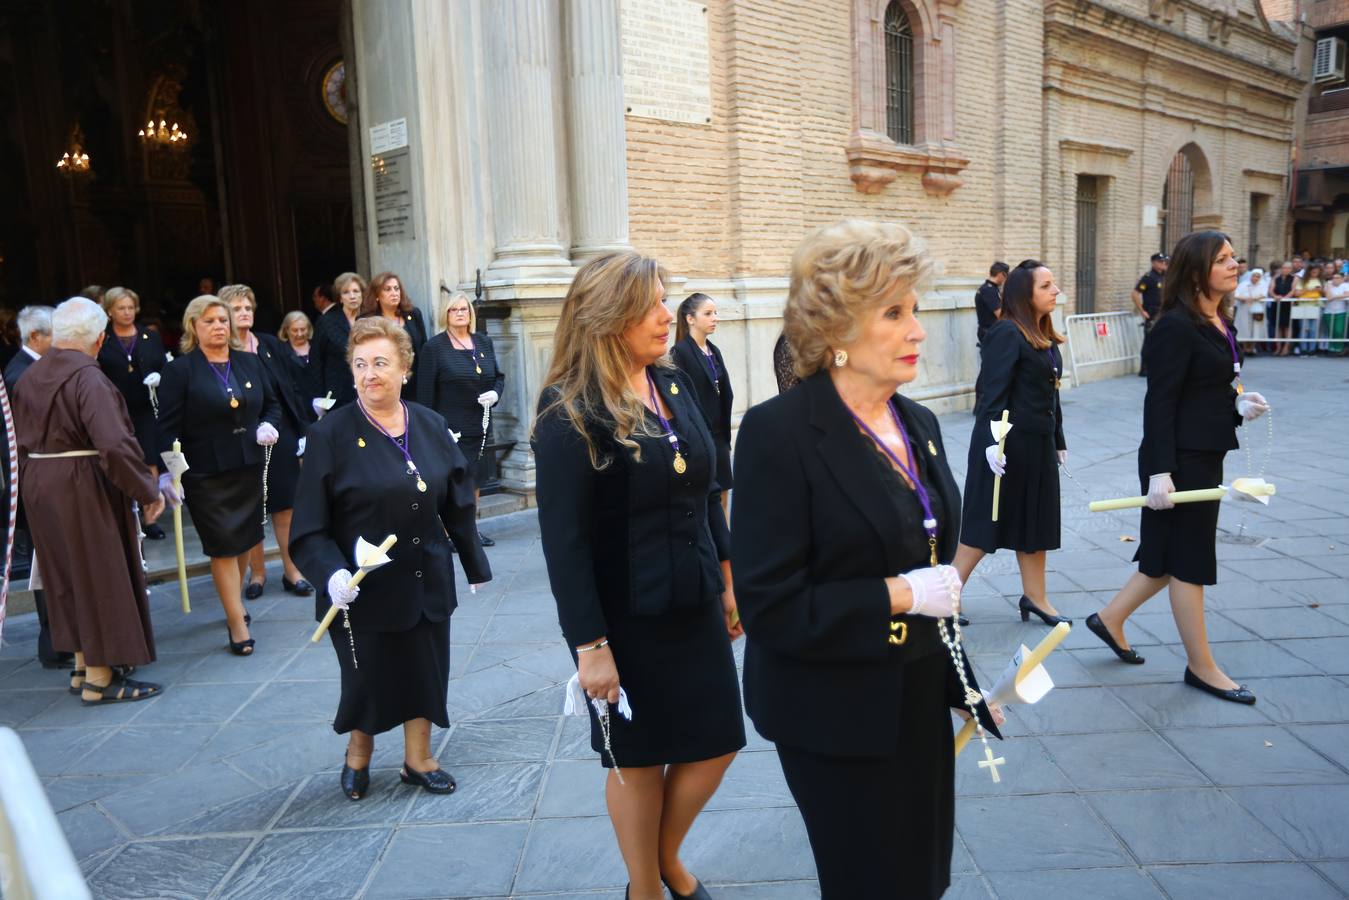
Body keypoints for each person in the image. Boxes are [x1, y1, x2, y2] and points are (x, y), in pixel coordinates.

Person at [731, 220, 1002, 900]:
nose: (917, 330)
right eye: (893, 313)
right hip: (831, 711)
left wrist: (961, 686)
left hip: (913, 698)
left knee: (921, 878)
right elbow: (771, 607)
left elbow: (933, 555)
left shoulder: (920, 423)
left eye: (914, 309)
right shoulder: (777, 435)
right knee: (868, 884)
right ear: (836, 331)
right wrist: (901, 594)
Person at [533, 251, 743, 900]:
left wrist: (729, 583)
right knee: (639, 758)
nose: (665, 315)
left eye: (665, 300)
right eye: (650, 305)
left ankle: (663, 855)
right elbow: (563, 544)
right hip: (624, 616)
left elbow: (706, 489)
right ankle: (647, 886)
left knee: (717, 743)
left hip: (695, 595)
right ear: (606, 316)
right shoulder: (568, 409)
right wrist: (590, 648)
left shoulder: (674, 380)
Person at [291, 317, 491, 800]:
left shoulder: (431, 424)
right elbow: (309, 525)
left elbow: (457, 497)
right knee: (367, 676)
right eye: (360, 364)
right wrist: (331, 573)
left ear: (405, 367)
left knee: (425, 667)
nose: (369, 373)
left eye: (381, 362)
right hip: (362, 586)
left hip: (425, 574)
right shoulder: (331, 434)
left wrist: (472, 563)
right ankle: (358, 755)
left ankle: (418, 759)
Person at [1087, 231, 1270, 704]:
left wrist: (1238, 406)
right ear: (1196, 271)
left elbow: (1208, 388)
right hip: (1179, 462)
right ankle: (1202, 667)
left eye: (1234, 257)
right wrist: (1160, 472)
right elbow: (1160, 404)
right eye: (1223, 259)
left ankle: (1108, 619)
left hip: (1205, 453)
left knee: (1166, 556)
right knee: (1189, 562)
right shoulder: (1175, 326)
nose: (1235, 265)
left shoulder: (1219, 320)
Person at [14, 297, 167, 705]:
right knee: (97, 574)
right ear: (99, 339)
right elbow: (114, 445)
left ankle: (83, 665)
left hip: (41, 484)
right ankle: (101, 678)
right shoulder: (89, 377)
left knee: (65, 578)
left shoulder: (30, 375)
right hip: (80, 485)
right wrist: (146, 491)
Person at [157, 295, 282, 656]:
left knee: (244, 539)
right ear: (193, 326)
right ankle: (236, 621)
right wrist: (170, 473)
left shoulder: (249, 362)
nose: (219, 327)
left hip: (248, 465)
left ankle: (235, 603)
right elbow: (165, 428)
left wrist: (267, 425)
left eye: (223, 320)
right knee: (223, 546)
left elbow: (272, 404)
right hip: (205, 473)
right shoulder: (181, 371)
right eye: (210, 321)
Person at [954, 260, 1070, 627]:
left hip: (1037, 445)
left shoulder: (1043, 334)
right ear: (1025, 294)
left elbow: (1052, 393)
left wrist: (1058, 439)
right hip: (1004, 447)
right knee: (983, 526)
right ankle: (946, 597)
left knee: (1036, 524)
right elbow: (992, 394)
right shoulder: (1007, 333)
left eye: (1054, 284)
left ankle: (1036, 597)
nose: (1055, 291)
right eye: (1046, 286)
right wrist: (991, 443)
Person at [221, 285, 313, 598]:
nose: (244, 313)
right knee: (253, 508)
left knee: (285, 506)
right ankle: (257, 574)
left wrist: (302, 430)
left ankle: (292, 570)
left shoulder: (271, 344)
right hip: (242, 436)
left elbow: (290, 387)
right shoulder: (223, 350)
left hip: (281, 434)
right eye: (236, 309)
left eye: (248, 307)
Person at [416, 290, 502, 547]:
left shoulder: (483, 342)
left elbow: (499, 377)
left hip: (480, 425)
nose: (460, 313)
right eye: (454, 309)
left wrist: (494, 394)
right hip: (449, 428)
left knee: (474, 479)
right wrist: (430, 431)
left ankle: (469, 531)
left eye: (464, 309)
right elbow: (424, 394)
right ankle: (446, 533)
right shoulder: (434, 347)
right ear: (446, 314)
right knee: (451, 483)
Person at [5, 305, 65, 668]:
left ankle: (58, 639)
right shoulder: (21, 375)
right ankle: (54, 642)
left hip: (40, 479)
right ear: (36, 337)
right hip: (36, 481)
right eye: (55, 334)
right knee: (47, 564)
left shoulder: (31, 368)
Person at [96, 287, 169, 539]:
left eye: (130, 307)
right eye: (121, 308)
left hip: (146, 408)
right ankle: (127, 517)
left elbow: (163, 365)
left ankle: (150, 518)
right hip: (115, 409)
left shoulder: (149, 335)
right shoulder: (101, 338)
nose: (127, 312)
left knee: (149, 459)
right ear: (109, 311)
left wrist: (160, 377)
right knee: (122, 459)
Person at [671, 292, 735, 505]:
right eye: (708, 313)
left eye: (715, 312)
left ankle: (725, 539)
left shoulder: (713, 351)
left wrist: (725, 439)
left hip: (719, 437)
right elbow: (682, 400)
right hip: (699, 436)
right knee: (707, 500)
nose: (715, 317)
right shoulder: (680, 352)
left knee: (724, 496)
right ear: (690, 319)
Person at [359, 272, 426, 401]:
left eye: (396, 288)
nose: (394, 293)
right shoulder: (366, 321)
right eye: (387, 289)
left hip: (414, 382)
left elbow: (422, 347)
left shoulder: (413, 314)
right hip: (383, 381)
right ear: (377, 295)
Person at [314, 272, 366, 407]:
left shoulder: (370, 321)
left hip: (366, 390)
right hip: (336, 395)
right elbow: (316, 360)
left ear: (362, 294)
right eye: (346, 292)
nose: (352, 296)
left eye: (356, 291)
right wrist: (319, 398)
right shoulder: (327, 322)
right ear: (340, 298)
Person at [1132, 253, 1167, 376]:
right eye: (1160, 261)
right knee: (1149, 341)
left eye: (1164, 261)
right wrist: (1142, 311)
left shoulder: (1166, 277)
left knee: (1163, 341)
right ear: (1153, 263)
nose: (1163, 264)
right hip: (1152, 313)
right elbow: (1135, 294)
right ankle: (1144, 369)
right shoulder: (1148, 277)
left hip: (1164, 313)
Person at [4, 305, 53, 394]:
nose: (63, 339)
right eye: (57, 334)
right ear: (35, 337)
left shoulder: (40, 363)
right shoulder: (20, 377)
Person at [279, 310, 324, 400]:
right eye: (295, 330)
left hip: (321, 400)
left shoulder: (318, 346)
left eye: (303, 329)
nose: (299, 334)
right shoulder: (280, 351)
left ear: (308, 328)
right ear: (286, 330)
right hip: (297, 402)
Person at [1233, 268, 1267, 355]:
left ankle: (1252, 348)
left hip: (1257, 309)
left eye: (1257, 276)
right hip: (1244, 309)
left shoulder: (1263, 284)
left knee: (1255, 328)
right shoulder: (1244, 284)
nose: (1255, 278)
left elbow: (1263, 295)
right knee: (1244, 327)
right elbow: (1236, 294)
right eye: (1254, 276)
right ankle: (1245, 348)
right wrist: (1244, 298)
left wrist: (1253, 299)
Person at [975, 261, 1009, 346]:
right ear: (1001, 274)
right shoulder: (989, 290)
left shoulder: (991, 288)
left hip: (992, 332)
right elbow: (1001, 315)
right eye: (1006, 276)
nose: (1005, 280)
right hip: (990, 334)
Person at [1293, 263, 1323, 355]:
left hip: (1315, 306)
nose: (1315, 272)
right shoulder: (1302, 281)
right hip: (1304, 307)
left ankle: (1312, 349)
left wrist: (1320, 290)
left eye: (1316, 270)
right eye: (1313, 270)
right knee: (1304, 329)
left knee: (1313, 329)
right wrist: (1308, 290)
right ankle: (1304, 349)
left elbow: (1324, 292)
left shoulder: (1320, 280)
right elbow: (1296, 293)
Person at [1271, 262, 1295, 356]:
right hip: (1277, 303)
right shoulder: (1275, 278)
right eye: (1284, 268)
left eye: (1288, 268)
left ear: (1291, 269)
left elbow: (1293, 290)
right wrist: (1275, 296)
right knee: (1278, 326)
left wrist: (1285, 298)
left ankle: (1286, 347)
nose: (1286, 270)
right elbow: (1271, 289)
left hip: (1287, 304)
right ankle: (1278, 347)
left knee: (1287, 327)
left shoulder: (1294, 278)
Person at [1324, 270, 1348, 355]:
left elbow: (1347, 294)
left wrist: (1335, 296)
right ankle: (1331, 349)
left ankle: (1338, 349)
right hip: (1328, 312)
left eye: (1338, 278)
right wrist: (1329, 286)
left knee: (1339, 331)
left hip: (1340, 312)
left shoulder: (1345, 285)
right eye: (1334, 278)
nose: (1335, 279)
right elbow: (1328, 297)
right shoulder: (1328, 284)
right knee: (1331, 331)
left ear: (1342, 279)